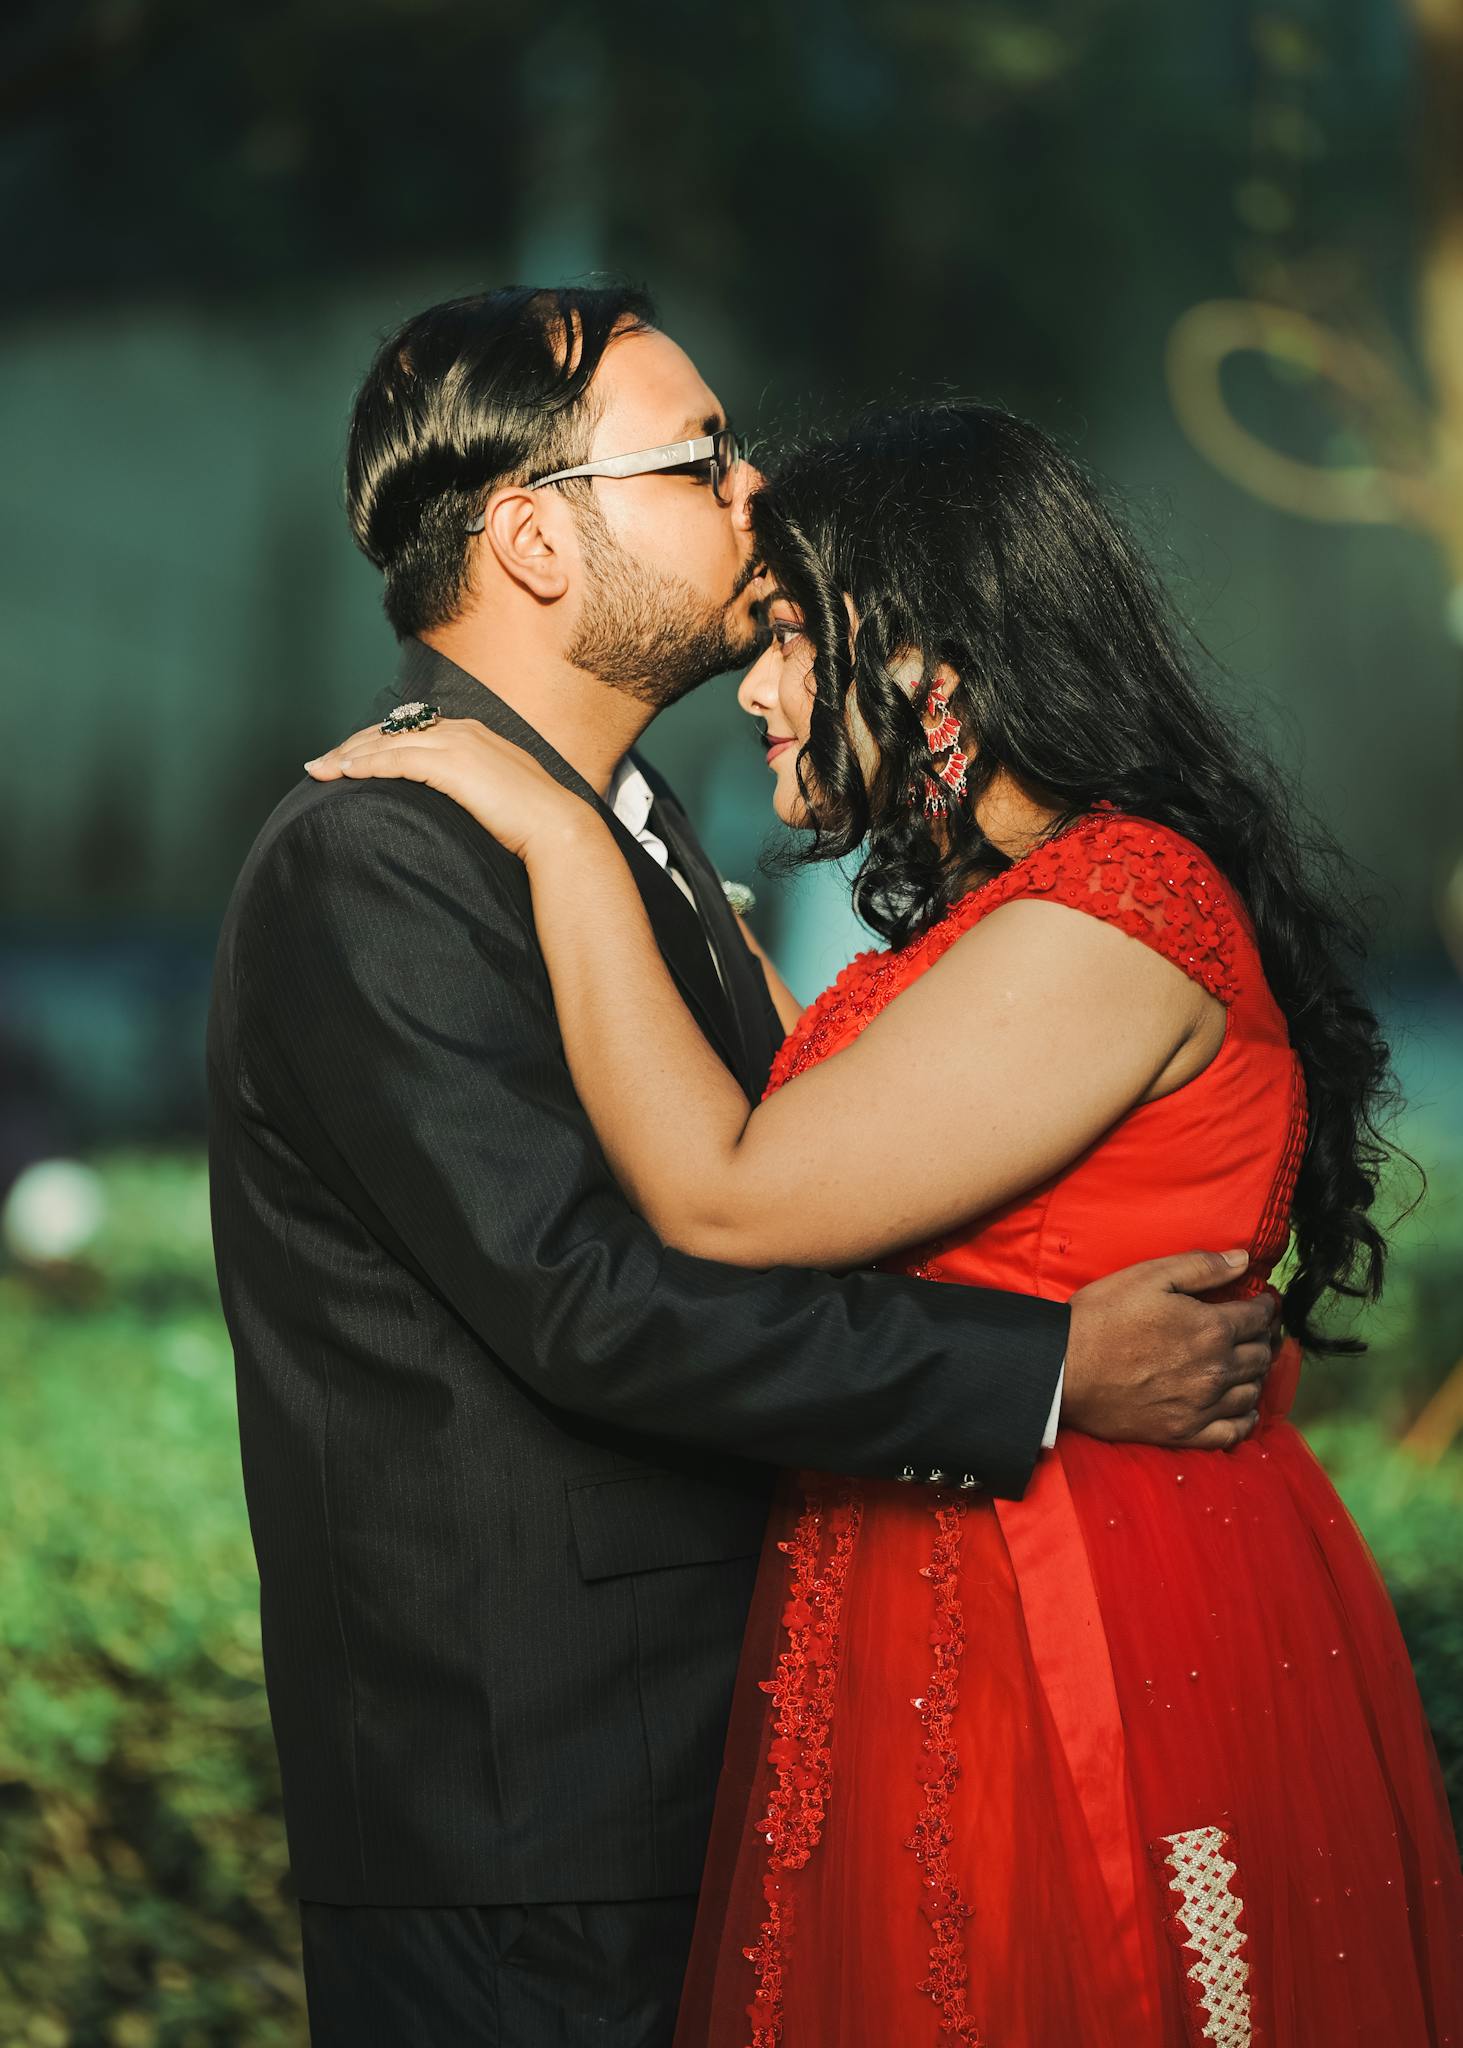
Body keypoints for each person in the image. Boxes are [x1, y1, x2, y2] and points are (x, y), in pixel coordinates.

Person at [308, 396, 1463, 2045]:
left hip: (1102, 1601)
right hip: (945, 1581)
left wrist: (563, 835)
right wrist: (599, 822)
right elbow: (777, 1095)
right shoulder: (1009, 921)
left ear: (937, 656)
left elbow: (725, 1192)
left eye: (788, 638)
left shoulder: (1114, 908)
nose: (759, 690)